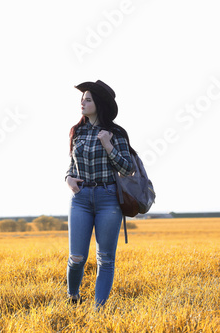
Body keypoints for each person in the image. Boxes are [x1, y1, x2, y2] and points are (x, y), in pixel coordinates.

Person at [64, 80, 136, 307]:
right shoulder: (77, 131)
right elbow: (72, 165)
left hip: (108, 200)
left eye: (88, 99)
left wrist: (109, 146)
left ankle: (99, 310)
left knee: (105, 259)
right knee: (76, 258)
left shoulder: (115, 133)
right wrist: (67, 178)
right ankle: (73, 297)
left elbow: (128, 169)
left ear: (99, 104)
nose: (82, 103)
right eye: (82, 99)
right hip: (81, 199)